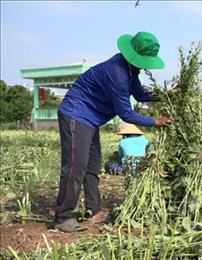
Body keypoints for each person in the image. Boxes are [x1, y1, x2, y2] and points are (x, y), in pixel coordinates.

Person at [54, 31, 173, 232]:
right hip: (76, 114)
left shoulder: (129, 69)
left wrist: (166, 94)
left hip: (90, 119)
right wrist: (155, 121)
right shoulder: (117, 73)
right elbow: (126, 113)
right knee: (75, 166)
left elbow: (140, 94)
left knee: (92, 166)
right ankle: (63, 217)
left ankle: (94, 209)